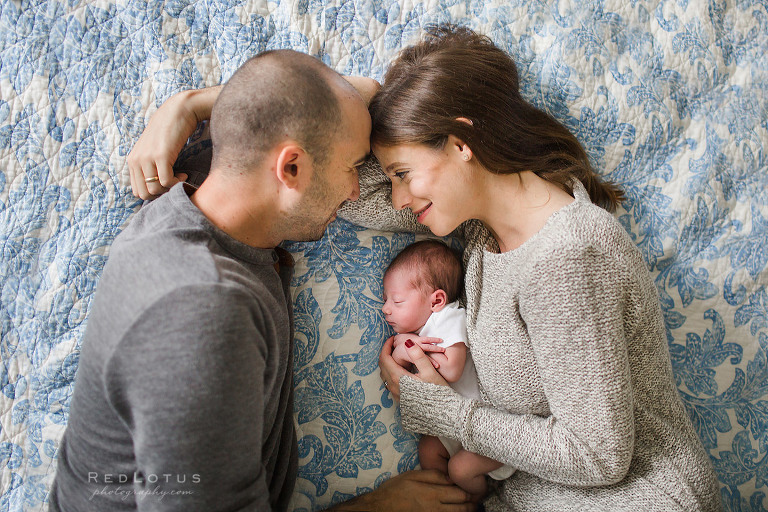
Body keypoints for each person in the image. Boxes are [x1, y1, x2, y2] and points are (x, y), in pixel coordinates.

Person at [126, 26, 723, 511]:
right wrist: (194, 107)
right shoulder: (480, 230)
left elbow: (597, 456)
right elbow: (318, 152)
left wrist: (434, 405)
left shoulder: (568, 255)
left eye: (402, 174)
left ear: (461, 143)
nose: (394, 197)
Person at [52, 49, 475, 512]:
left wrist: (189, 105)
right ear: (291, 168)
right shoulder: (201, 313)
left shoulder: (201, 199)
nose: (358, 191)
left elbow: (354, 93)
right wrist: (381, 506)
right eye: (352, 167)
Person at [381, 239, 515, 500]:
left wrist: (414, 350)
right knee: (428, 449)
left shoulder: (449, 318)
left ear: (437, 300)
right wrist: (401, 350)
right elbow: (399, 370)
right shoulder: (418, 332)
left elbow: (452, 370)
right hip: (453, 427)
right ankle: (447, 496)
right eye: (385, 300)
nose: (386, 309)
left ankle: (475, 500)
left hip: (489, 431)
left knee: (460, 468)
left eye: (397, 301)